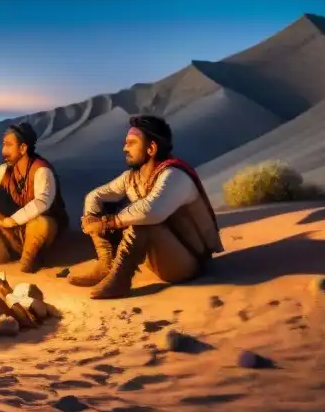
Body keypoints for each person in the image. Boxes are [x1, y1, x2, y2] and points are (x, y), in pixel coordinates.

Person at [69, 115, 223, 299]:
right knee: (107, 210)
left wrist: (106, 223)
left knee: (143, 221)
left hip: (187, 263)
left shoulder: (175, 176)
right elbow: (96, 196)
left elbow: (150, 211)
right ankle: (106, 265)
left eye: (131, 143)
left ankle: (121, 281)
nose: (124, 148)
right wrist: (90, 218)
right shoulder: (132, 177)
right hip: (160, 259)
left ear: (151, 149)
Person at [0, 122, 69, 271]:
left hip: (37, 229)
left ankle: (29, 260)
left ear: (23, 148)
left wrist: (10, 221)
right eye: (4, 145)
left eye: (9, 145)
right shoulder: (7, 169)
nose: (4, 151)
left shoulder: (42, 170)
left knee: (42, 223)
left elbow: (42, 202)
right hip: (15, 229)